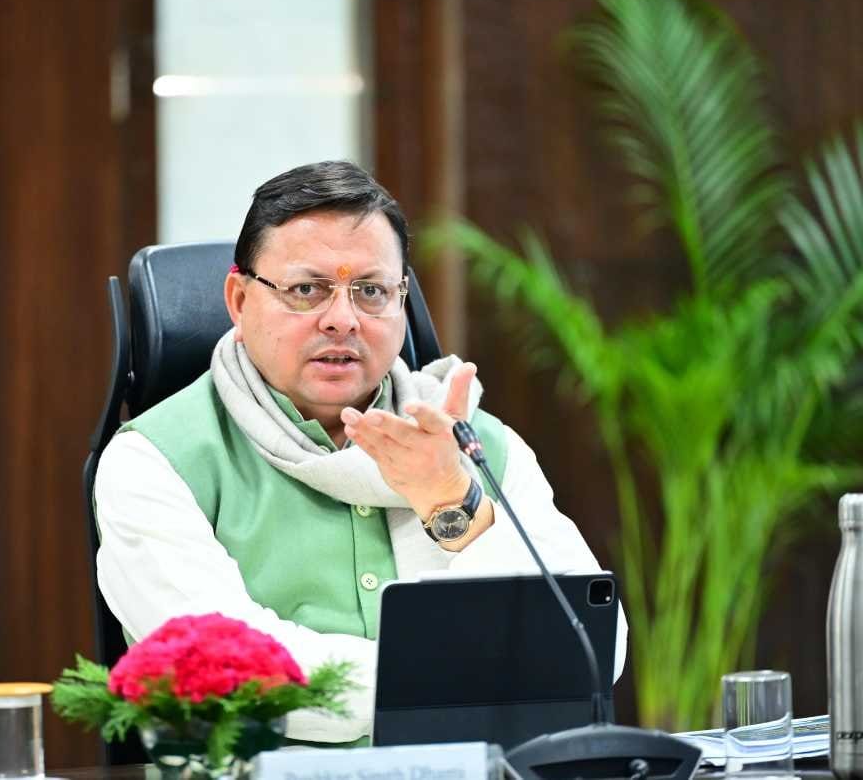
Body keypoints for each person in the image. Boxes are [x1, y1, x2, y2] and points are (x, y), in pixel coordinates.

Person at [95, 160, 627, 744]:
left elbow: (594, 647)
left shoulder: (476, 444)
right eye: (306, 290)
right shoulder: (154, 461)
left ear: (402, 302)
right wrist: (464, 676)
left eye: (371, 291)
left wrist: (455, 503)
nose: (342, 320)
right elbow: (232, 672)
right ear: (239, 301)